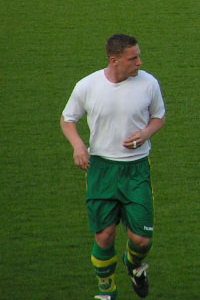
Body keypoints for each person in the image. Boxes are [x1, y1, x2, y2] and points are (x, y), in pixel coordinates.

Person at [60, 34, 166, 300]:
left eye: (139, 56)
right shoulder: (88, 85)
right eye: (134, 58)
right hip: (102, 170)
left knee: (142, 240)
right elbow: (67, 118)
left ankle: (134, 263)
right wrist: (78, 146)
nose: (140, 62)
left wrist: (146, 134)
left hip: (136, 169)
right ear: (114, 60)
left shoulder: (148, 84)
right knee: (104, 237)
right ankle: (106, 291)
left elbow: (159, 117)